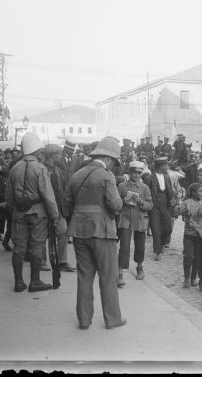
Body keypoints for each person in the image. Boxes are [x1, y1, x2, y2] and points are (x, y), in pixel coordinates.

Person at [65, 136, 126, 330]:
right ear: (108, 159)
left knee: (84, 276)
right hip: (102, 232)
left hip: (79, 232)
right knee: (108, 277)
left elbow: (66, 203)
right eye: (114, 163)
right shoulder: (106, 176)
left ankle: (84, 320)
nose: (114, 166)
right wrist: (121, 200)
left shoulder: (77, 175)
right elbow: (115, 205)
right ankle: (112, 318)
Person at [5, 132, 59, 293]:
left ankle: (19, 282)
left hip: (19, 213)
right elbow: (48, 195)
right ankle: (35, 281)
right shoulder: (40, 168)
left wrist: (13, 209)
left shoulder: (14, 168)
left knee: (19, 247)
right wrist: (54, 215)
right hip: (38, 213)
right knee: (37, 246)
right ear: (36, 151)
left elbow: (8, 195)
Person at [117, 161, 153, 285]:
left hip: (140, 219)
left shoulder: (145, 188)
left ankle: (139, 267)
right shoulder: (122, 186)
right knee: (124, 247)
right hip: (125, 219)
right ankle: (120, 272)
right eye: (134, 172)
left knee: (140, 246)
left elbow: (150, 205)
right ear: (130, 172)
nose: (136, 175)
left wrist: (141, 202)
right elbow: (115, 203)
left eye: (139, 173)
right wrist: (123, 201)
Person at [43, 144, 76, 272]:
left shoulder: (57, 170)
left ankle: (62, 262)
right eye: (58, 154)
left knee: (63, 232)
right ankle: (41, 261)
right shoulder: (43, 169)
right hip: (45, 209)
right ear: (52, 155)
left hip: (59, 209)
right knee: (42, 235)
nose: (60, 156)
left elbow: (62, 190)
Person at [179, 182, 202, 288]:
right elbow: (183, 217)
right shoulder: (186, 203)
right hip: (189, 234)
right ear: (193, 192)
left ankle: (194, 277)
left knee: (197, 257)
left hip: (201, 235)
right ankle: (186, 278)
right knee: (188, 256)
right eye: (200, 191)